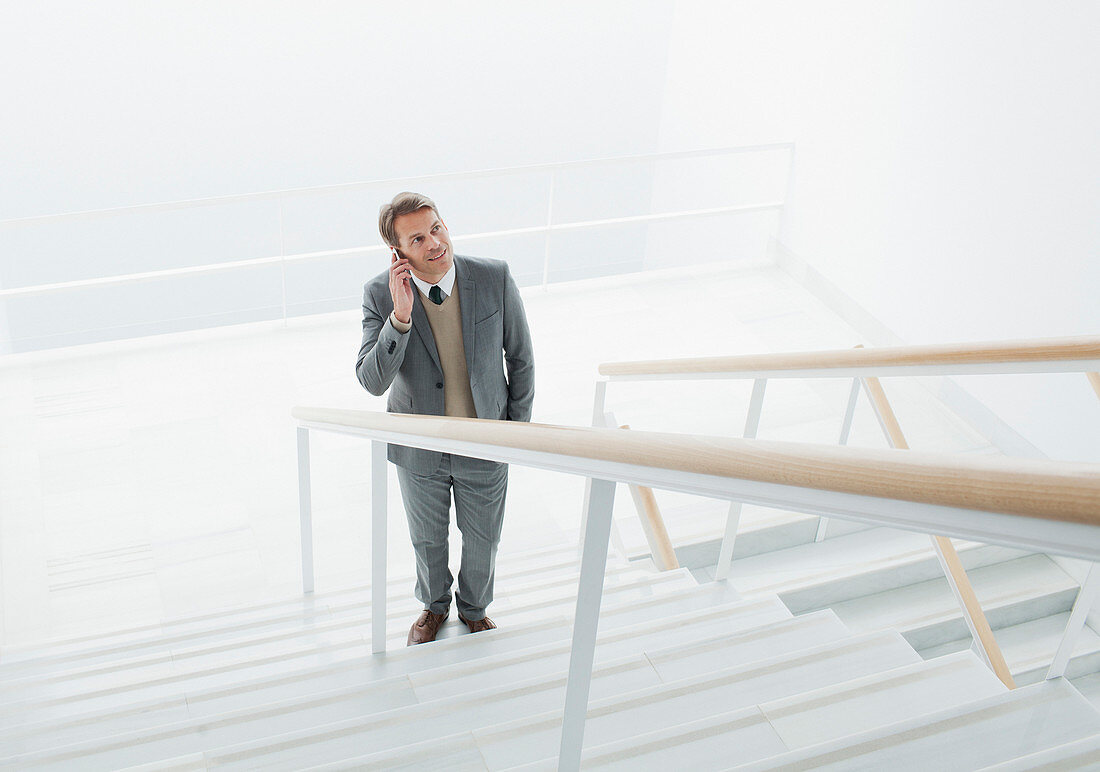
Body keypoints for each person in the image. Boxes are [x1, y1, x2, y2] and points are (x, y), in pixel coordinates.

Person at [355, 192, 535, 646]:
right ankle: (434, 607)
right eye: (418, 238)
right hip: (420, 445)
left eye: (437, 227)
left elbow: (521, 358)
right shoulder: (379, 294)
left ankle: (474, 610)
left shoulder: (494, 276)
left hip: (485, 441)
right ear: (398, 253)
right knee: (428, 541)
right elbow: (372, 381)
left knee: (482, 541)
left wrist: (513, 434)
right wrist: (400, 317)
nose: (434, 242)